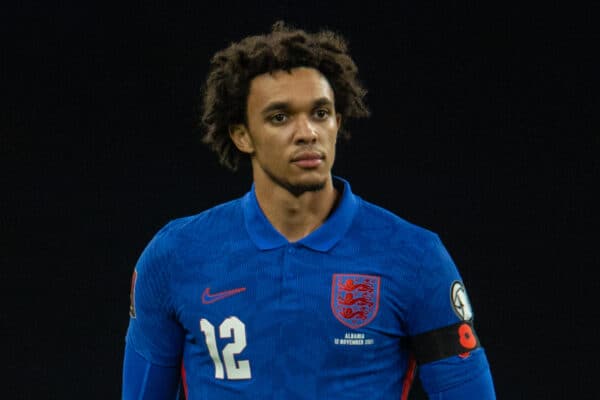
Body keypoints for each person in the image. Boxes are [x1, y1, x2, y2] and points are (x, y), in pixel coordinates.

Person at [122, 21, 496, 399]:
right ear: (242, 135)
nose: (307, 132)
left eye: (320, 113)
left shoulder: (415, 257)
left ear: (338, 122)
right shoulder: (174, 257)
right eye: (280, 117)